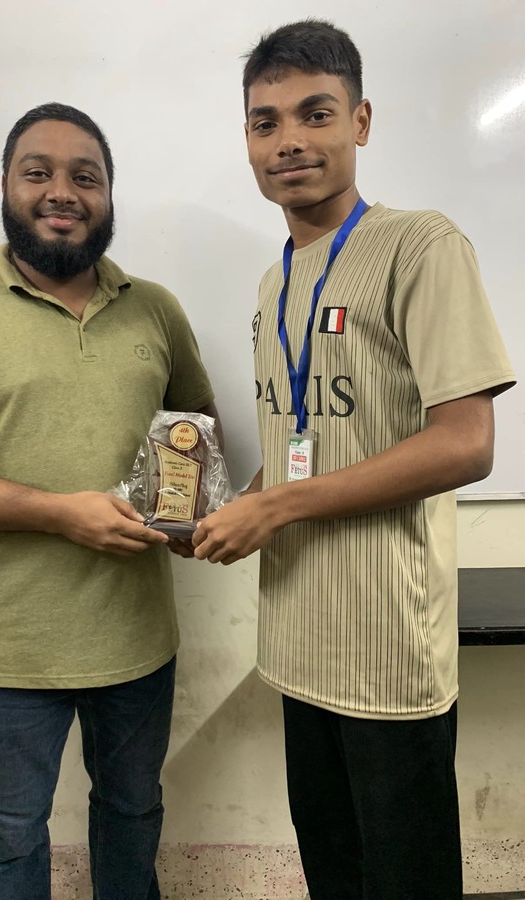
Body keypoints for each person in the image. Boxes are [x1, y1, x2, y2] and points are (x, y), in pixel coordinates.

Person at [193, 19, 515, 900]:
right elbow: (302, 443)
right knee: (332, 875)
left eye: (315, 113)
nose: (287, 141)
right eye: (264, 122)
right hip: (297, 644)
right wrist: (232, 507)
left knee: (405, 881)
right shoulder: (274, 282)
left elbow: (466, 442)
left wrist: (277, 508)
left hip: (387, 651)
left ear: (360, 122)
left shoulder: (422, 245)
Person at [0, 102, 218, 900]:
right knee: (8, 838)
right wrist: (61, 512)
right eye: (38, 172)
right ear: (6, 185)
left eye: (85, 177)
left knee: (133, 815)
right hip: (11, 651)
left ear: (108, 195)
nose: (62, 191)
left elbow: (193, 427)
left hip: (139, 642)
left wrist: (187, 512)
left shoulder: (155, 307)